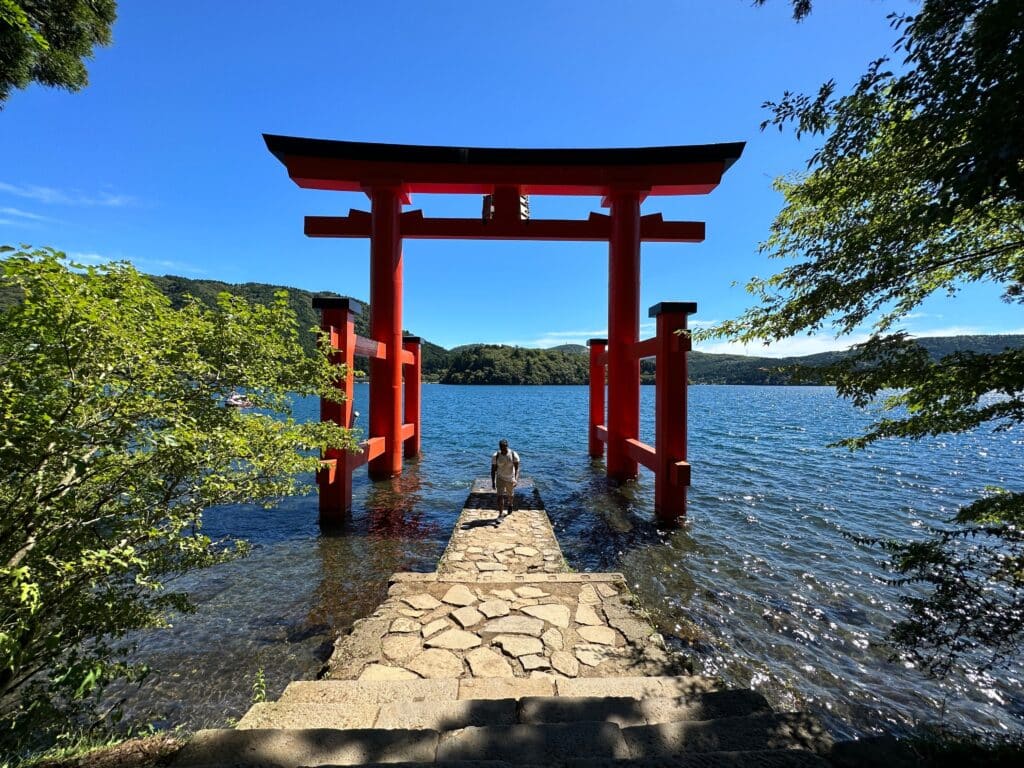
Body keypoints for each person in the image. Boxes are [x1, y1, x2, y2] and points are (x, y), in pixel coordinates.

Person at [490, 439, 520, 517]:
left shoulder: (513, 454)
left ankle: (510, 504)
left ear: (507, 446)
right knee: (500, 496)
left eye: (505, 447)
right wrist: (493, 482)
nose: (503, 449)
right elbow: (493, 469)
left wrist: (516, 480)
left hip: (510, 478)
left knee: (510, 496)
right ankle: (500, 514)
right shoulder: (496, 456)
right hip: (500, 478)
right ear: (499, 447)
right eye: (502, 448)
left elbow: (517, 468)